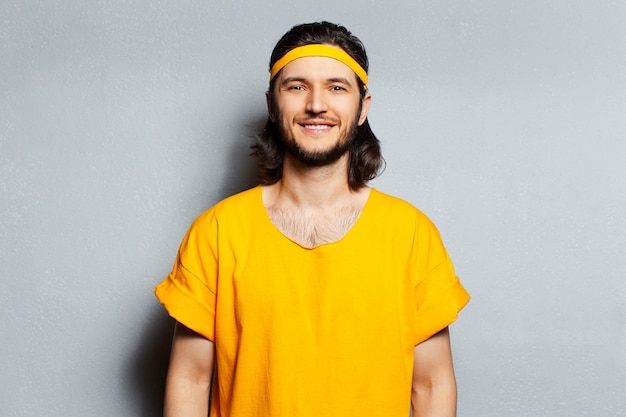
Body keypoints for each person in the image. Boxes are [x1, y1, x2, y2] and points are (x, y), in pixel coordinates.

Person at [155, 21, 470, 417]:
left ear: (362, 108)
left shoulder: (410, 234)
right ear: (272, 105)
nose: (316, 104)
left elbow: (431, 384)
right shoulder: (218, 231)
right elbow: (192, 378)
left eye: (337, 87)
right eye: (297, 86)